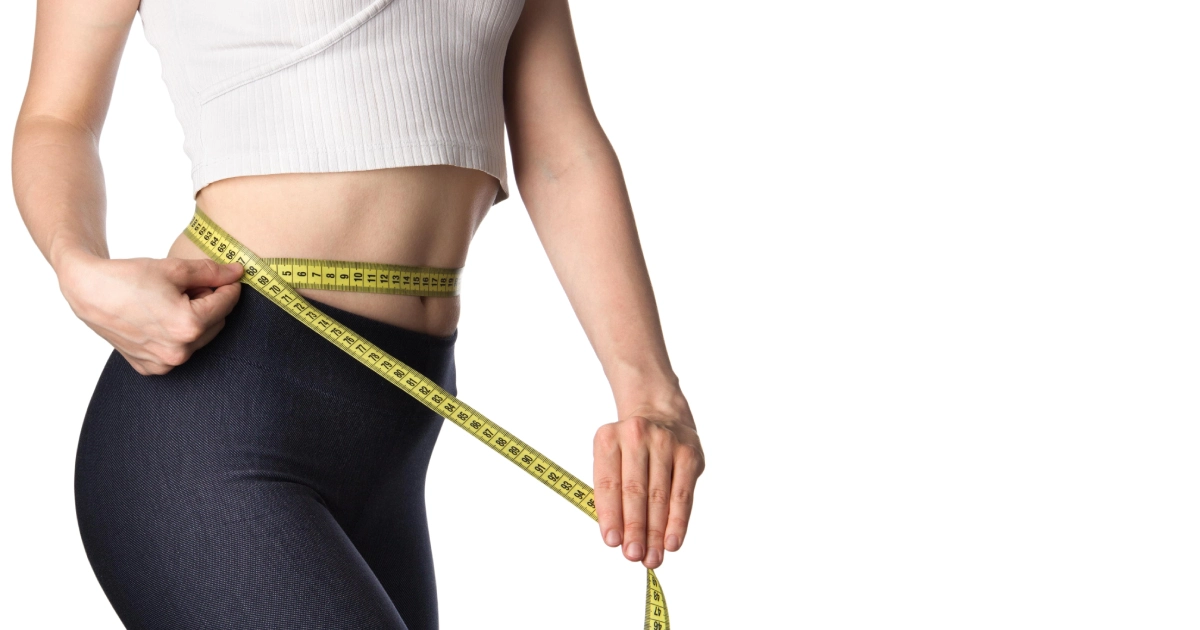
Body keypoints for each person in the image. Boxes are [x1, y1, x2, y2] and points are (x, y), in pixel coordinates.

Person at [12, 0, 704, 628]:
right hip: (221, 411)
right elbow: (57, 117)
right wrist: (80, 267)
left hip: (399, 429)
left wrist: (650, 389)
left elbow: (560, 150)